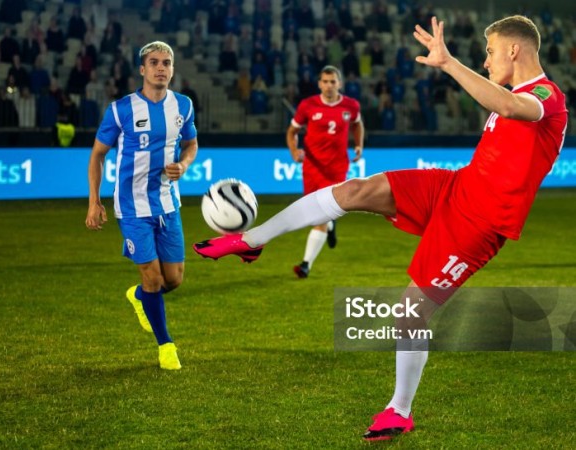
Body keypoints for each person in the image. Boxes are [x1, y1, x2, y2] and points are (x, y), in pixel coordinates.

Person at [193, 15, 567, 440]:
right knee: (356, 190)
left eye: (490, 51)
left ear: (514, 50)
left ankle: (399, 409)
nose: (485, 62)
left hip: (480, 223)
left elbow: (508, 106)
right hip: (454, 187)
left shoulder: (546, 96)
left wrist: (447, 63)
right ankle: (252, 239)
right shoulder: (517, 94)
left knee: (410, 315)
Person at [86, 41, 198, 371]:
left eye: (166, 62)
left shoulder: (183, 106)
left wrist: (186, 164)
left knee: (173, 281)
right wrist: (94, 202)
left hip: (167, 203)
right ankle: (166, 347)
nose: (161, 67)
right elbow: (97, 155)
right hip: (132, 207)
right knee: (153, 280)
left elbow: (191, 144)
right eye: (154, 62)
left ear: (172, 69)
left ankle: (138, 296)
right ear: (142, 69)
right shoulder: (121, 109)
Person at [286, 65, 363, 278]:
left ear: (340, 83)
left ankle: (305, 265)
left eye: (333, 82)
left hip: (337, 168)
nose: (329, 86)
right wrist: (294, 150)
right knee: (315, 215)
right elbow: (292, 131)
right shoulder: (307, 105)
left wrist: (358, 145)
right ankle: (331, 225)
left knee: (320, 215)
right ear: (320, 83)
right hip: (312, 167)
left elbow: (357, 125)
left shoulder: (351, 105)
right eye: (325, 82)